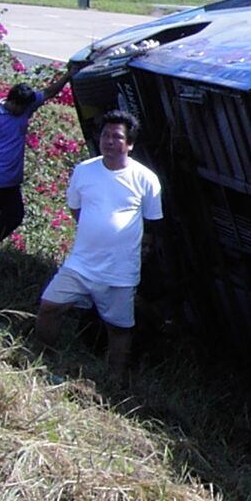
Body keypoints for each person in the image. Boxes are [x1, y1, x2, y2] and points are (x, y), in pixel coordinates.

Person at [36, 109, 163, 373]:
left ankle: (112, 380)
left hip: (119, 271)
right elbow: (75, 208)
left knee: (118, 327)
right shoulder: (84, 170)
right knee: (50, 307)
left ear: (129, 144)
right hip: (81, 263)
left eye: (117, 137)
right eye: (105, 135)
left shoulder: (146, 179)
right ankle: (41, 360)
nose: (109, 141)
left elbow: (152, 223)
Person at [0, 70, 70, 250]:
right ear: (12, 102)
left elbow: (48, 92)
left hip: (10, 180)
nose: (23, 111)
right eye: (21, 107)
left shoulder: (25, 108)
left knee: (15, 215)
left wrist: (69, 75)